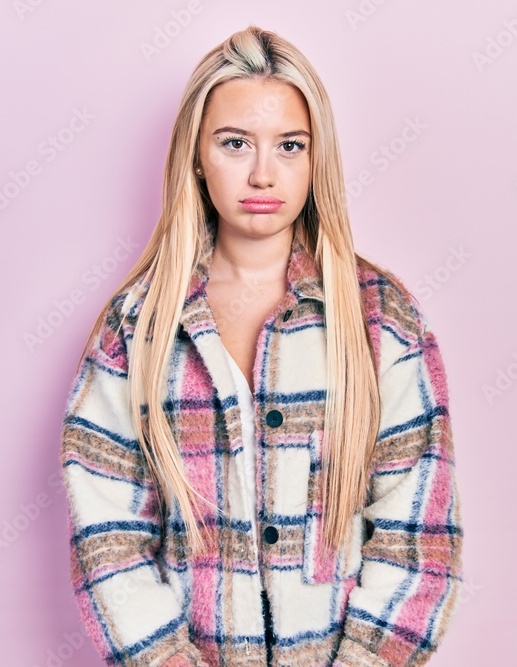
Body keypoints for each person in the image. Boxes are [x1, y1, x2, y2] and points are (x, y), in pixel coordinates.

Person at [59, 24, 463, 667]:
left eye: (290, 145)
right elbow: (108, 537)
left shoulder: (382, 320)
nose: (262, 173)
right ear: (196, 155)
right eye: (235, 142)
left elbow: (418, 542)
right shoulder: (135, 327)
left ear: (315, 159)